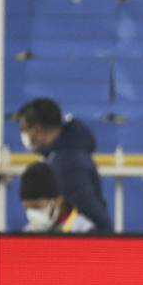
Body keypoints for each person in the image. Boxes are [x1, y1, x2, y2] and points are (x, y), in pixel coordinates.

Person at [15, 98, 113, 232]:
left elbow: (89, 211)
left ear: (37, 130)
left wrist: (100, 240)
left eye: (24, 129)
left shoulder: (67, 164)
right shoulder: (69, 154)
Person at [20, 162, 96, 233]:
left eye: (36, 207)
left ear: (57, 201)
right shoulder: (28, 233)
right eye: (27, 208)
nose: (32, 213)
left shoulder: (84, 231)